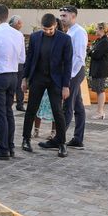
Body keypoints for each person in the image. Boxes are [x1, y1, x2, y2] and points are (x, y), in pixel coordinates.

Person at [21, 13, 73, 158]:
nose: (47, 32)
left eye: (50, 29)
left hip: (55, 80)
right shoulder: (35, 37)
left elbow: (68, 64)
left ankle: (61, 143)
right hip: (37, 78)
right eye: (45, 29)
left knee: (58, 111)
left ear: (55, 25)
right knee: (31, 109)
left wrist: (66, 85)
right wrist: (24, 78)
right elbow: (29, 58)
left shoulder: (65, 39)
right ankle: (26, 139)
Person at [0, 4, 26, 160]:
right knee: (8, 112)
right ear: (7, 16)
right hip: (13, 76)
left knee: (0, 114)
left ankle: (3, 148)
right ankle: (10, 146)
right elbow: (22, 59)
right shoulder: (18, 35)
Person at [59, 5, 88, 149]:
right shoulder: (70, 31)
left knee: (68, 105)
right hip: (72, 72)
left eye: (64, 16)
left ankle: (59, 138)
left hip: (75, 72)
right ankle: (78, 138)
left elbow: (79, 56)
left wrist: (69, 77)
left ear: (73, 16)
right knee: (78, 105)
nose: (61, 18)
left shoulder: (79, 32)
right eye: (61, 15)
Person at [88, 22, 108, 120]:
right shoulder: (100, 40)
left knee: (100, 90)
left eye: (97, 29)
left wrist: (90, 51)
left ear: (102, 29)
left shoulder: (105, 41)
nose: (95, 30)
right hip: (98, 69)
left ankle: (100, 112)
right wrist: (91, 51)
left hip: (101, 69)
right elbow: (93, 52)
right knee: (98, 90)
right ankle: (99, 111)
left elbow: (96, 54)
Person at [9, 15, 26, 111]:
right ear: (17, 24)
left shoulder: (19, 35)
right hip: (14, 63)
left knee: (19, 85)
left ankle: (19, 104)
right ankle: (15, 103)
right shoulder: (16, 35)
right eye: (20, 23)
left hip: (18, 63)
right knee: (14, 85)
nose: (21, 25)